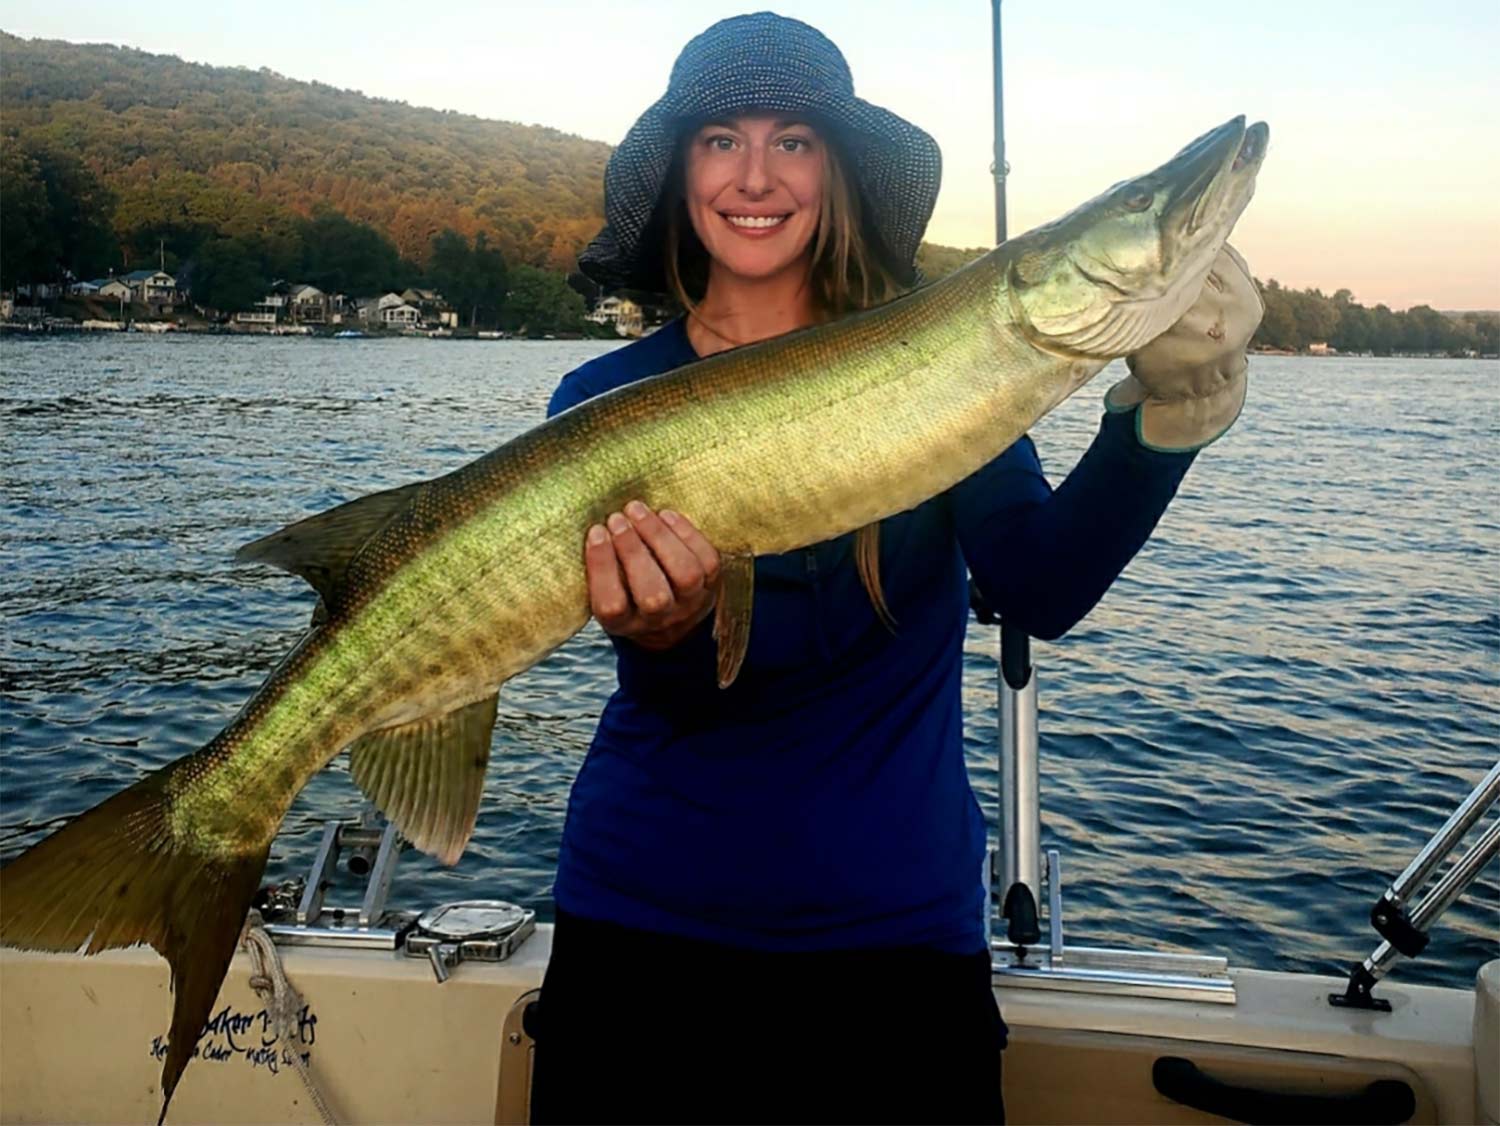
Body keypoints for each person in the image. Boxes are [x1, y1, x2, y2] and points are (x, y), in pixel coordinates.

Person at [528, 12, 1263, 1125]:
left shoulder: (950, 361)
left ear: (837, 172)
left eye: (796, 141)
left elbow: (1042, 586)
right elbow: (676, 692)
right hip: (640, 936)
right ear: (682, 173)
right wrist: (665, 633)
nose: (757, 175)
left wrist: (1163, 421)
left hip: (895, 955)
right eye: (721, 140)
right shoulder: (601, 401)